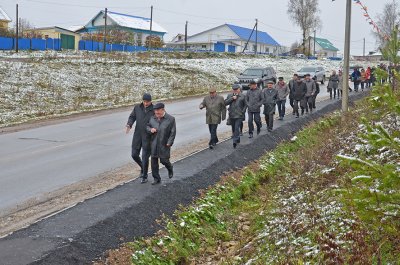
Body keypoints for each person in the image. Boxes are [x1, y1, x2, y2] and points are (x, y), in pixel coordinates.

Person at [126, 93, 154, 184]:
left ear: (151, 101)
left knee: (145, 157)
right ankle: (143, 167)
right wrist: (129, 124)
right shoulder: (137, 107)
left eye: (148, 102)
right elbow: (132, 117)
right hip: (137, 135)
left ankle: (144, 176)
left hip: (148, 136)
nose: (146, 103)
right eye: (144, 101)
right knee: (134, 154)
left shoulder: (154, 110)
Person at [147, 103, 176, 185]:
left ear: (163, 110)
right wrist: (150, 129)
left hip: (164, 144)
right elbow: (147, 126)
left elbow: (173, 132)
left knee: (164, 161)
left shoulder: (171, 119)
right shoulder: (152, 118)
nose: (156, 114)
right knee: (154, 162)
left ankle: (170, 167)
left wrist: (169, 142)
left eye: (158, 112)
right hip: (154, 143)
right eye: (155, 112)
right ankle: (156, 178)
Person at [225, 84, 247, 148]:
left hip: (239, 115)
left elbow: (246, 105)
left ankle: (234, 141)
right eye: (234, 90)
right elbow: (225, 103)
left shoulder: (243, 96)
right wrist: (232, 98)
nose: (235, 91)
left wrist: (243, 111)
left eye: (236, 89)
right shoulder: (229, 95)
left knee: (237, 128)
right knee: (234, 128)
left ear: (239, 89)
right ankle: (237, 139)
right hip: (232, 114)